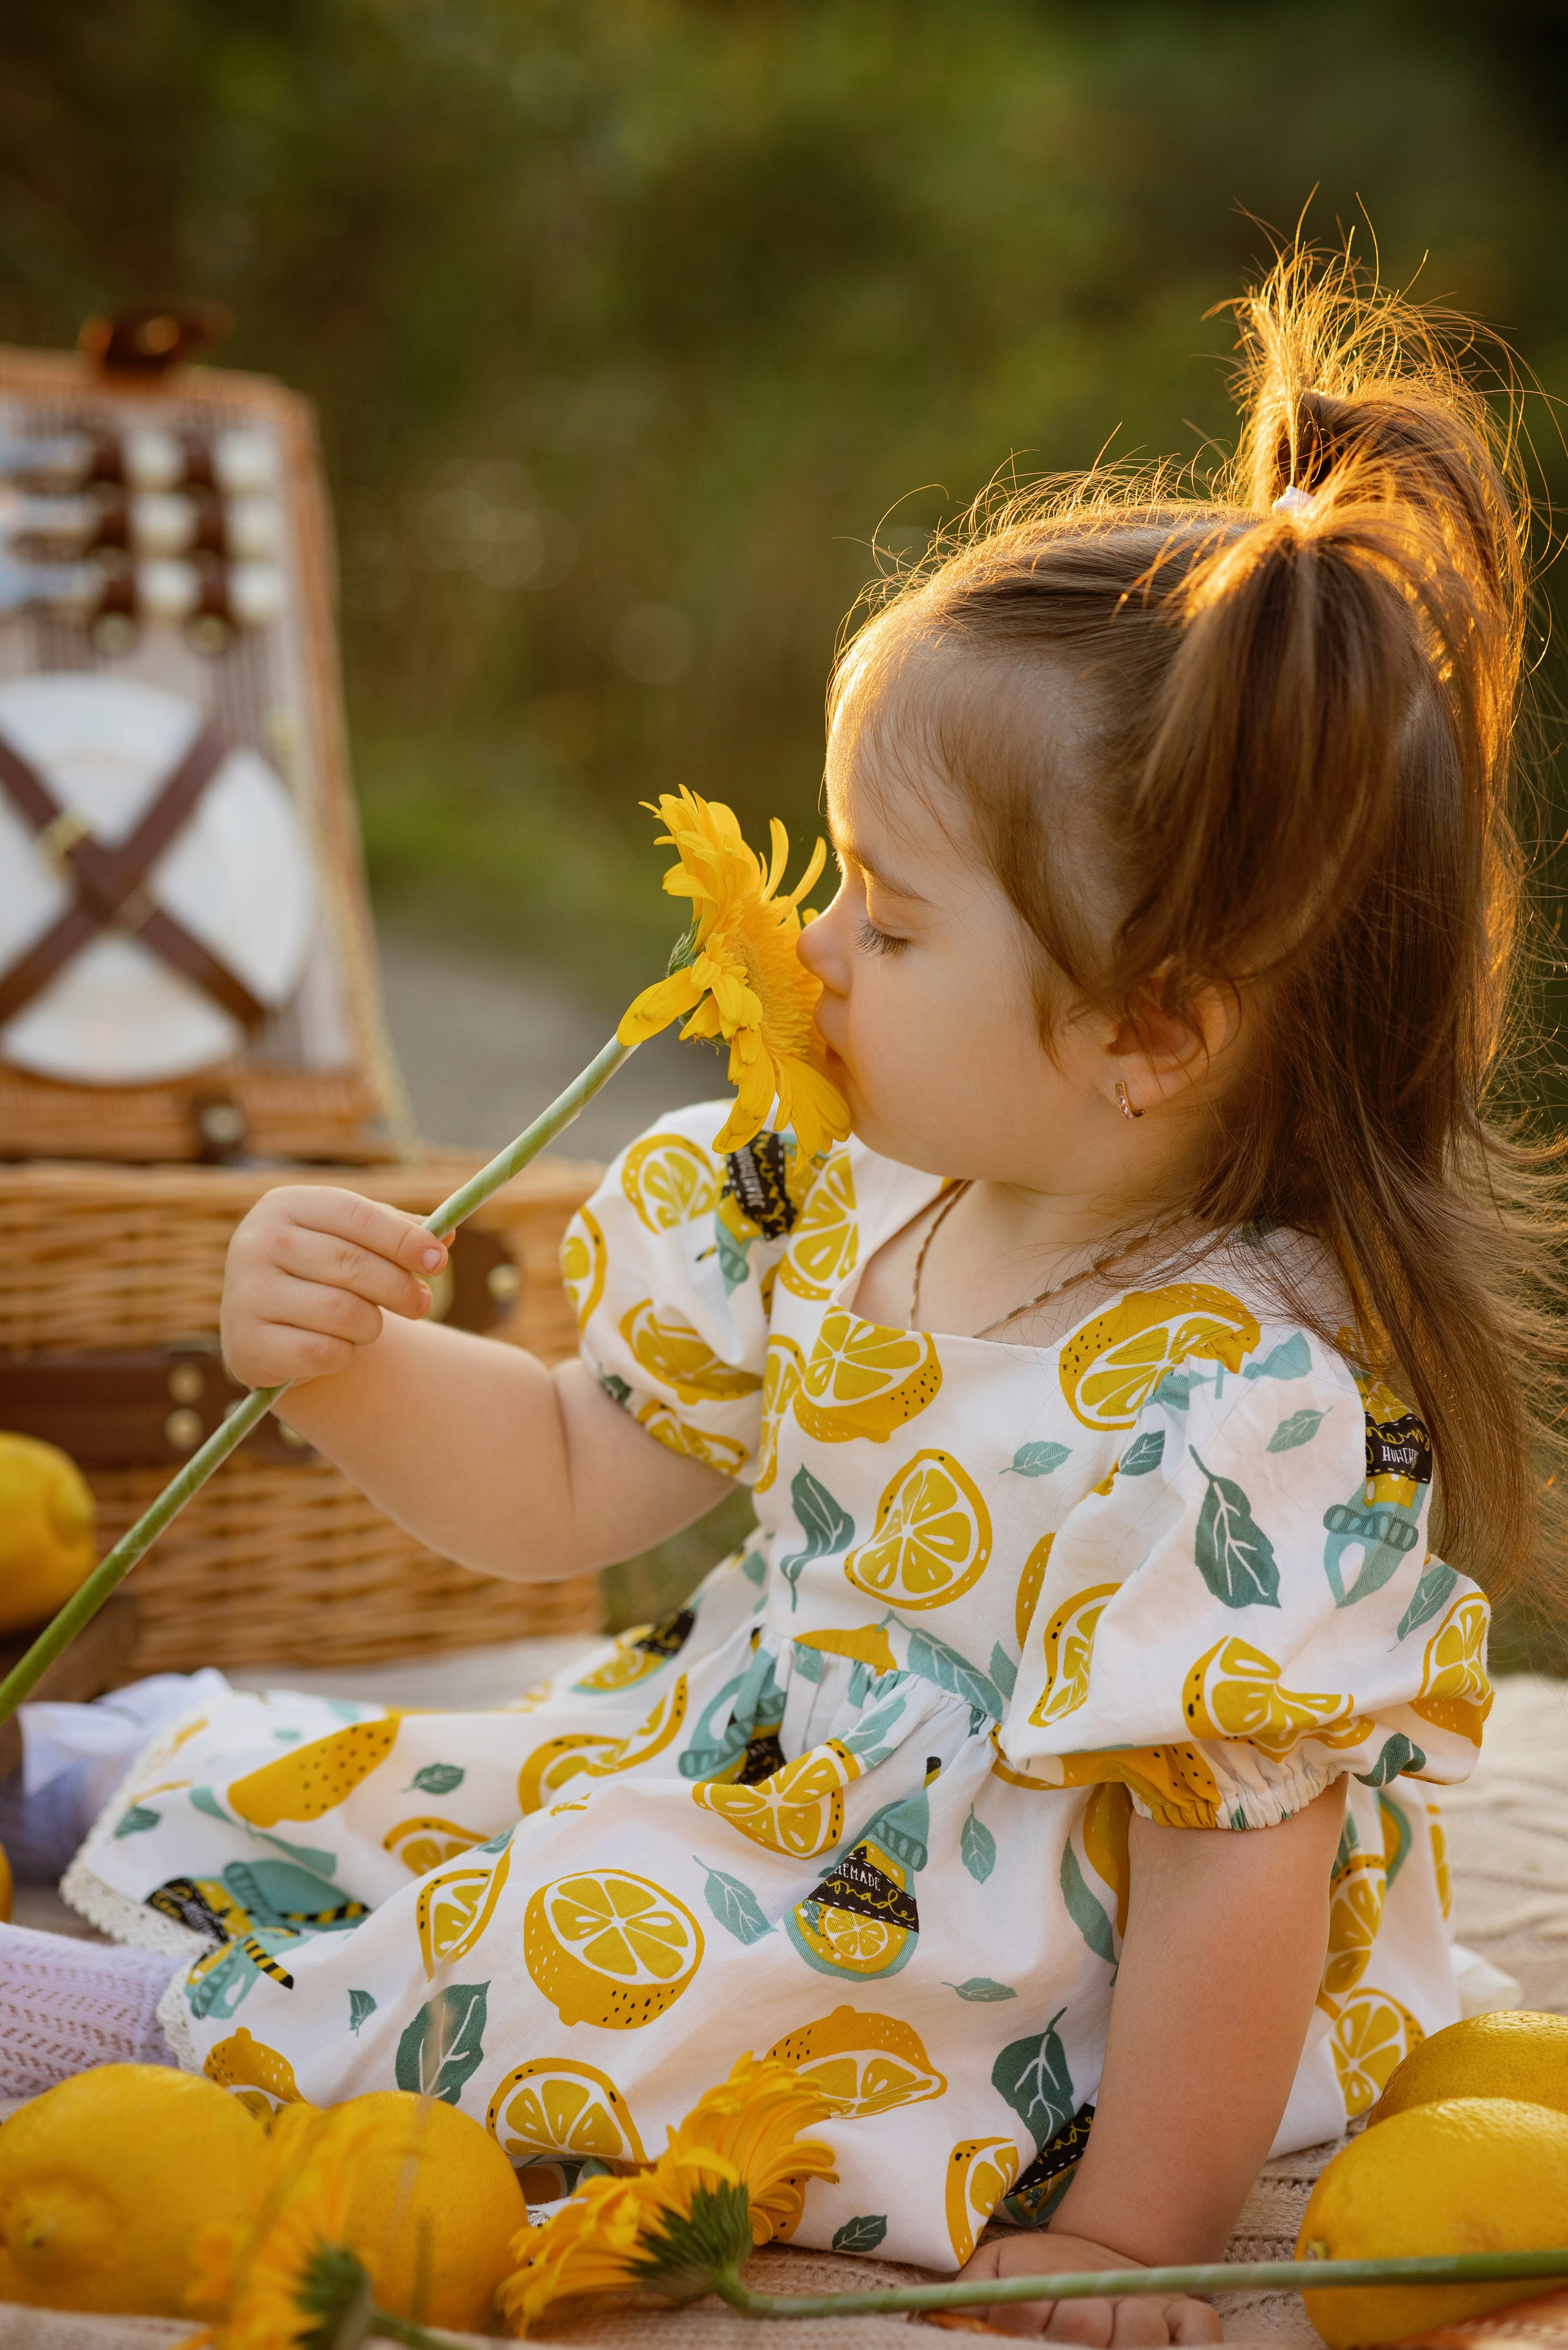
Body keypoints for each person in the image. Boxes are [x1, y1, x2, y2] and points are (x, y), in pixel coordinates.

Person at [6, 249, 1556, 2342]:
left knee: (573, 1945)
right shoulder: (835, 1178)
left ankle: (121, 2021)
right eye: (831, 885)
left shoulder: (1242, 1416)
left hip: (981, 1964)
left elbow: (1234, 1867)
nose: (813, 952)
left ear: (1150, 1032)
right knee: (450, 1773)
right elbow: (573, 1474)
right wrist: (354, 1368)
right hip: (752, 1764)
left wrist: (1129, 2230)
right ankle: (95, 1772)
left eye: (891, 924)